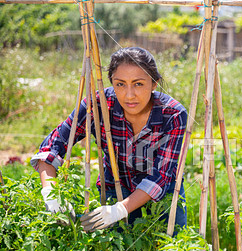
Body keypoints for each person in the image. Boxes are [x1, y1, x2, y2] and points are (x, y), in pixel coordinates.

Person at [31, 47, 188, 232]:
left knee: (170, 245)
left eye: (138, 84)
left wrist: (120, 209)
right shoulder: (98, 106)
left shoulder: (173, 114)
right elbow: (52, 146)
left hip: (163, 191)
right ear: (111, 83)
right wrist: (50, 192)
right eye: (120, 84)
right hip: (116, 184)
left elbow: (160, 176)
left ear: (154, 84)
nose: (129, 95)